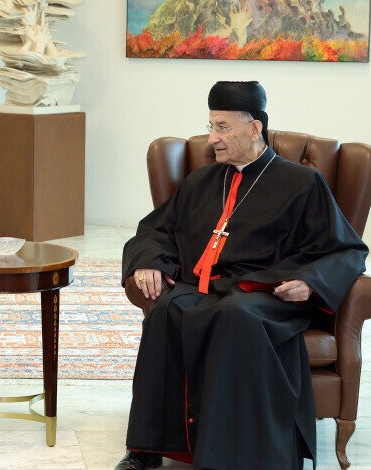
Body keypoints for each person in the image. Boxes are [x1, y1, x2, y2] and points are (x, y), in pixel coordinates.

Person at [116, 81, 368, 470]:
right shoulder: (201, 181)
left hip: (266, 295)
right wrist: (149, 260)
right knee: (167, 310)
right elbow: (156, 230)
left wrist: (311, 282)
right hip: (205, 289)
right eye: (211, 126)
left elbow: (346, 249)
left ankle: (226, 458)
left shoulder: (302, 183)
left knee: (235, 314)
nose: (212, 138)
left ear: (254, 129)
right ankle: (146, 449)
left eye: (222, 128)